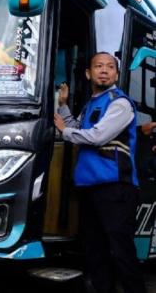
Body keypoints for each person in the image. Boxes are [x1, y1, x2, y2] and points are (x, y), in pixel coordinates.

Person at [54, 52, 146, 293]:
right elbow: (76, 129)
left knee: (120, 250)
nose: (104, 70)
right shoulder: (90, 105)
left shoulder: (120, 103)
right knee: (95, 251)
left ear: (116, 74)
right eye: (98, 66)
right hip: (90, 187)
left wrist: (64, 132)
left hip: (116, 187)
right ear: (88, 73)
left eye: (109, 67)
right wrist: (63, 106)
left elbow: (96, 136)